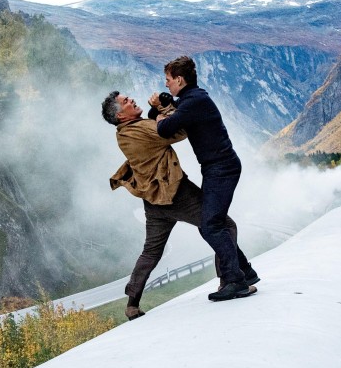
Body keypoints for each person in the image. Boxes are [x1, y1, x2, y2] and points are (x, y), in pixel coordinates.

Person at [101, 91, 259, 320]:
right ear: (120, 115)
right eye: (126, 101)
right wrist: (165, 108)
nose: (132, 100)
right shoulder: (141, 129)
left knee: (151, 251)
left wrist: (158, 112)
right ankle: (230, 280)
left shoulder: (124, 134)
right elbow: (178, 131)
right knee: (222, 225)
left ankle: (132, 304)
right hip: (177, 194)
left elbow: (159, 130)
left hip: (153, 201)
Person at [154, 56, 252, 301]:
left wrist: (159, 115)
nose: (166, 84)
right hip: (217, 168)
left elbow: (165, 129)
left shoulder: (194, 101)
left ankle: (236, 281)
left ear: (179, 79)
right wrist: (167, 105)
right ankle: (246, 274)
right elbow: (179, 111)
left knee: (210, 226)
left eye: (168, 79)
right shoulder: (193, 98)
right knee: (213, 223)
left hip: (221, 169)